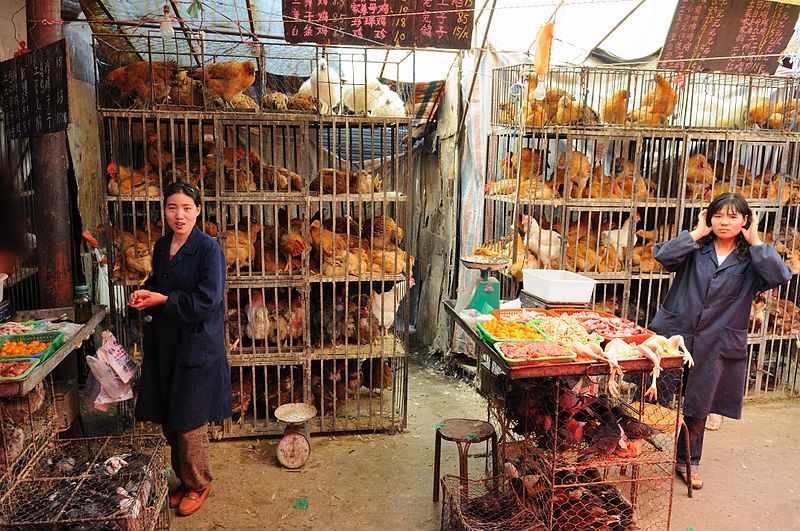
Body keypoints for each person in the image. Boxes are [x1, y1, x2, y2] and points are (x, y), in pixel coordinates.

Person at [648, 192, 791, 490]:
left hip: (717, 340)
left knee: (699, 404)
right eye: (718, 216)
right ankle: (636, 453)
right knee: (653, 395)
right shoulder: (694, 247)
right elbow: (662, 256)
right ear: (709, 218)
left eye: (733, 216)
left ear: (745, 221)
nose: (724, 222)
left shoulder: (752, 258)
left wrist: (755, 242)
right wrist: (698, 232)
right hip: (676, 333)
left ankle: (688, 461)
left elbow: (780, 275)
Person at [129, 182, 231, 516]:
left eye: (187, 208)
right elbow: (162, 285)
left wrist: (164, 300)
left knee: (189, 422)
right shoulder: (161, 247)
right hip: (166, 344)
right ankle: (185, 482)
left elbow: (207, 300)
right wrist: (146, 293)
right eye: (173, 208)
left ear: (198, 210)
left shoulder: (208, 250)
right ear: (165, 212)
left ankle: (200, 483)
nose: (180, 215)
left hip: (197, 345)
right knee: (170, 420)